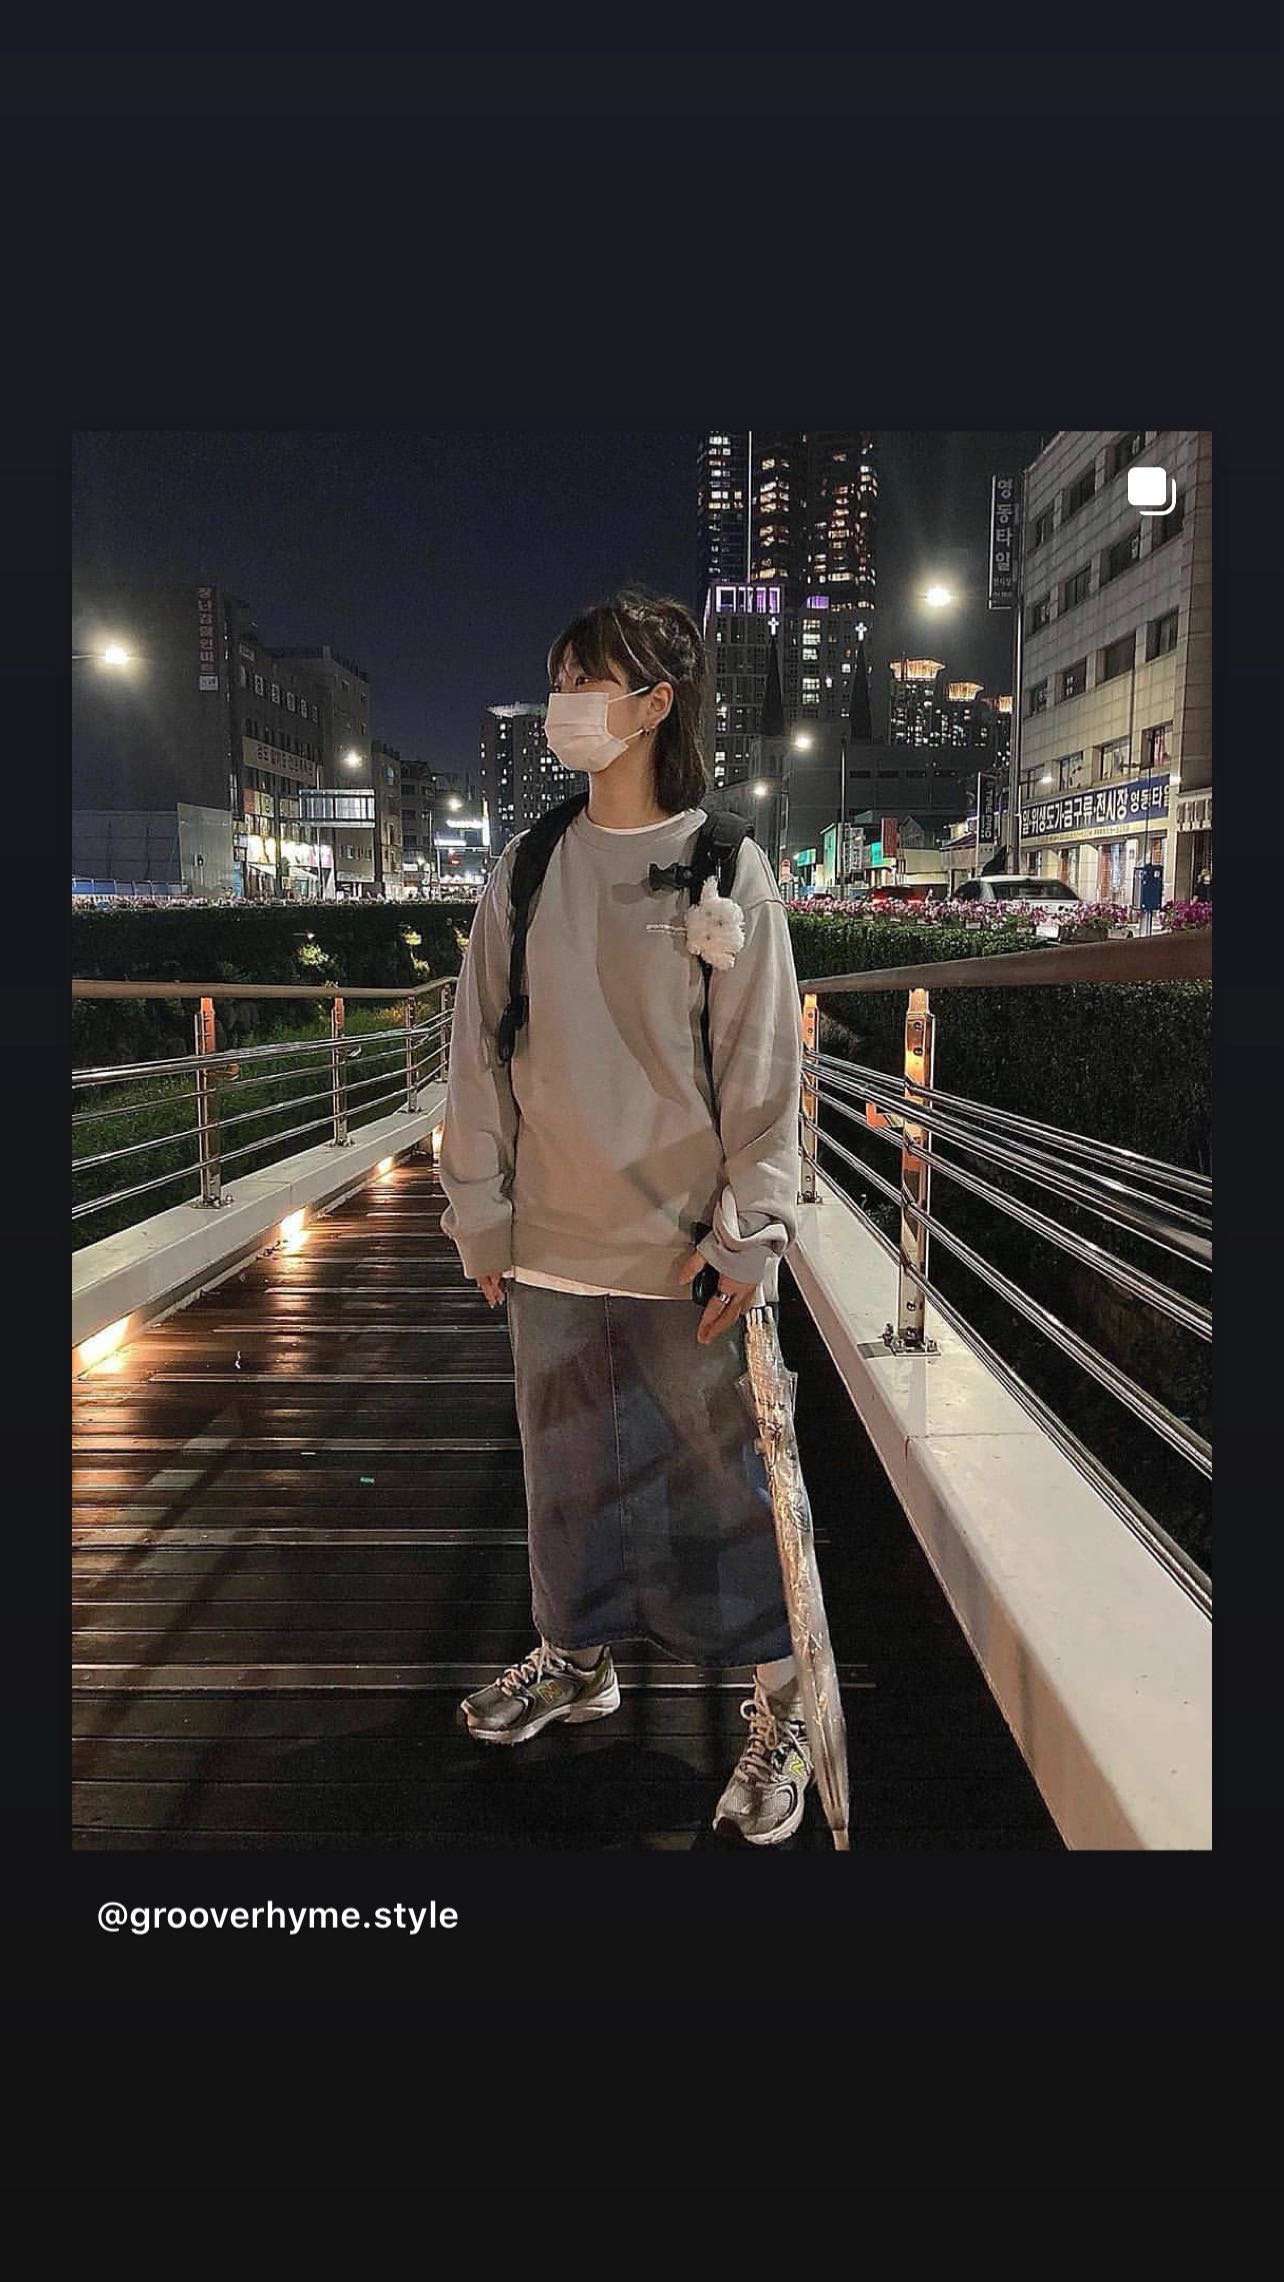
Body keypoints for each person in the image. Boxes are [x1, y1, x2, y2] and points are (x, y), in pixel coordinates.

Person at [437, 589, 812, 1845]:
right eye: (559, 679)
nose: (564, 705)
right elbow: (476, 1055)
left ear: (655, 703)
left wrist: (748, 1235)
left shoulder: (726, 865)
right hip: (550, 1242)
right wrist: (480, 1214)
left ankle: (782, 1702)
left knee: (728, 1484)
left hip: (685, 1252)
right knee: (563, 1469)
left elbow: (764, 1070)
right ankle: (575, 1653)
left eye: (586, 681)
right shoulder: (528, 865)